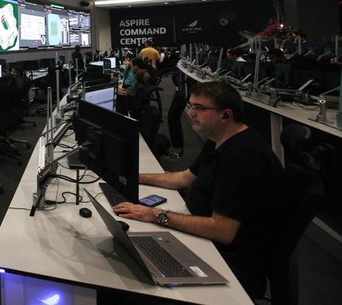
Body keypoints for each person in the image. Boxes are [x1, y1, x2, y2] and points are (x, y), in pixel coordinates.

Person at [112, 82, 285, 298]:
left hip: (229, 260)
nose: (191, 113)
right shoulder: (219, 139)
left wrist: (155, 215)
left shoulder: (243, 157)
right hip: (205, 234)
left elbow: (222, 230)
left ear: (226, 115)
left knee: (131, 273)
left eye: (199, 108)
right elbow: (184, 178)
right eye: (191, 105)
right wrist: (134, 177)